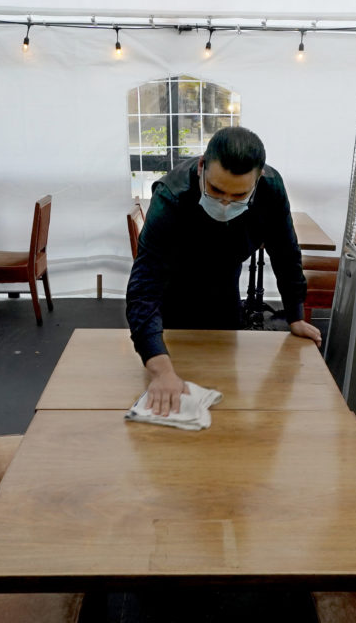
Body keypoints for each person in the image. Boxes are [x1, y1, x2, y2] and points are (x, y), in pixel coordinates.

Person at [126, 126, 321, 416]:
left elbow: (285, 252)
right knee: (169, 399)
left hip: (226, 289)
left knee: (226, 397)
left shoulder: (271, 190)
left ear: (258, 180)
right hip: (173, 293)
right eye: (216, 190)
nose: (225, 203)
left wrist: (295, 315)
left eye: (239, 195)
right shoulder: (171, 197)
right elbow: (145, 285)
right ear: (202, 166)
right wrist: (159, 367)